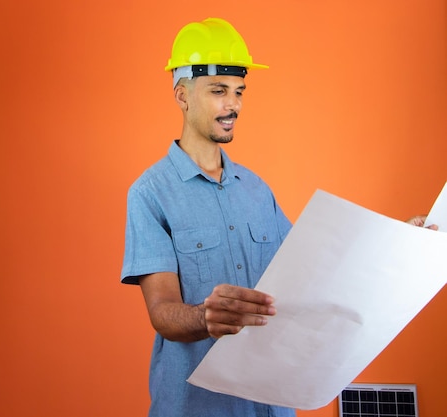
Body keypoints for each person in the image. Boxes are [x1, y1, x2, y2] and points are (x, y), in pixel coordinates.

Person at [120, 17, 435, 417]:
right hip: (197, 407)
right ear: (182, 95)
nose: (233, 105)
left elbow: (311, 274)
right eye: (218, 91)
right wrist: (204, 316)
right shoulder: (150, 194)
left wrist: (395, 241)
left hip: (271, 403)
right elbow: (162, 312)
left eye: (238, 92)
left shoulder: (256, 189)